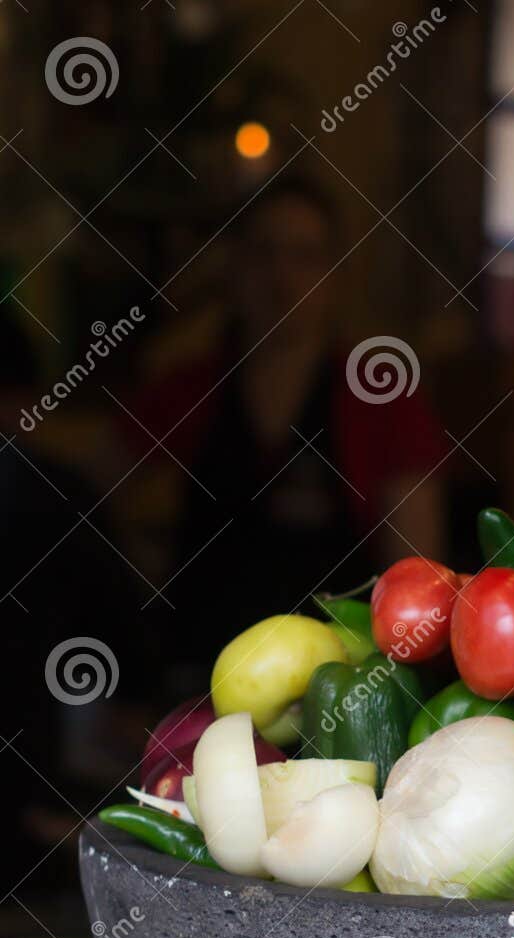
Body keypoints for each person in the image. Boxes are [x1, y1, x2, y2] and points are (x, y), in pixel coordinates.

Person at [121, 177, 446, 678]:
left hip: (337, 679)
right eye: (264, 253)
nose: (281, 275)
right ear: (236, 267)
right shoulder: (187, 387)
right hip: (195, 668)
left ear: (332, 276)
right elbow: (92, 496)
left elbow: (418, 570)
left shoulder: (382, 400)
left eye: (304, 256)